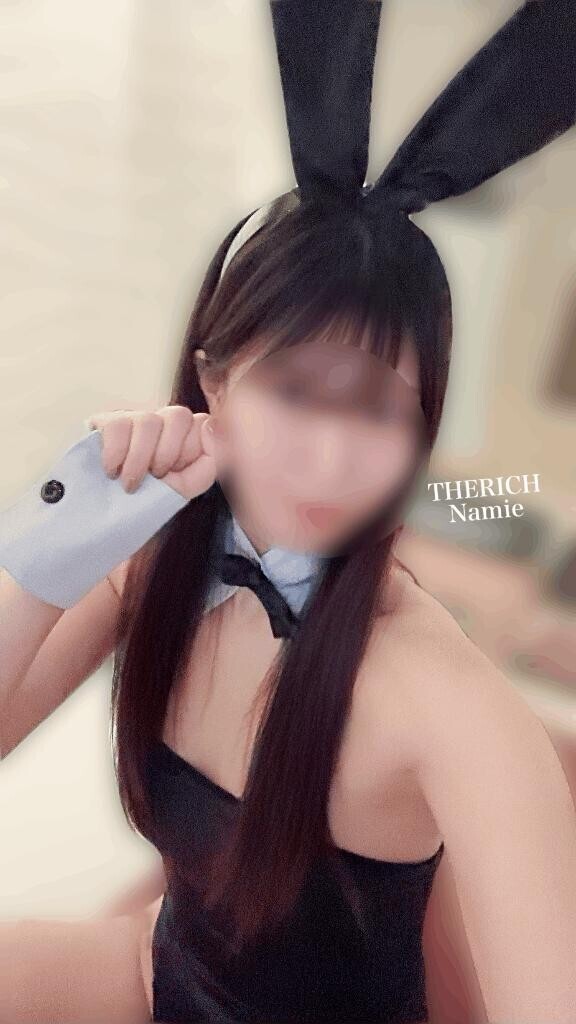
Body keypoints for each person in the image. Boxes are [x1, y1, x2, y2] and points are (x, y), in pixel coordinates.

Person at [2, 2, 576, 1022]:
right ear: (214, 380)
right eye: (295, 392)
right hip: (156, 972)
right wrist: (37, 565)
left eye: (379, 410)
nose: (330, 456)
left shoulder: (449, 706)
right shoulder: (155, 566)